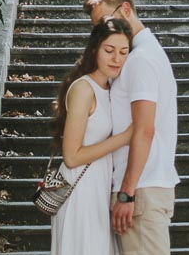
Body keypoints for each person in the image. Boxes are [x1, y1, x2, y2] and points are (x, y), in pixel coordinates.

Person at [84, 0, 179, 255]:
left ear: (126, 9)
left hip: (140, 190)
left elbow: (144, 129)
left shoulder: (140, 60)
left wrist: (127, 193)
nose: (101, 32)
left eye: (105, 21)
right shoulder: (140, 55)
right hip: (142, 187)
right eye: (96, 27)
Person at [50, 17, 137, 255]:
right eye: (109, 50)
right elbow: (71, 157)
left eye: (123, 52)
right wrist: (124, 137)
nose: (116, 58)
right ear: (94, 49)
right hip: (80, 190)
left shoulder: (111, 88)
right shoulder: (83, 89)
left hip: (99, 187)